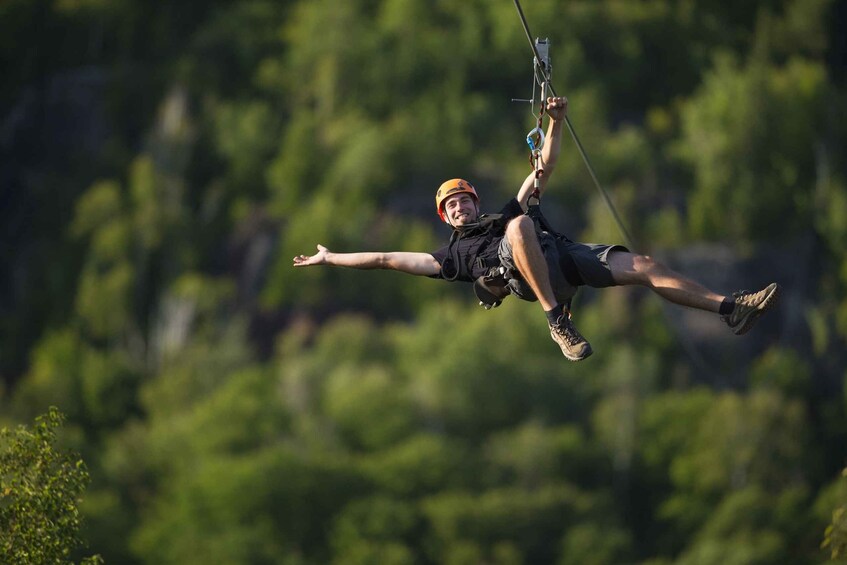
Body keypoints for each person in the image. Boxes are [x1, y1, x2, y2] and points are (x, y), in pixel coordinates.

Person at [293, 96, 780, 361]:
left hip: (562, 258)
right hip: (529, 280)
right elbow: (384, 259)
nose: (460, 208)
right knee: (522, 225)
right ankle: (557, 324)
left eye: (464, 200)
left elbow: (542, 169)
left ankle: (731, 308)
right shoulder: (449, 258)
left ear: (474, 202)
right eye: (453, 205)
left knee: (645, 266)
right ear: (445, 217)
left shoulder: (503, 212)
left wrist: (557, 122)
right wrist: (331, 257)